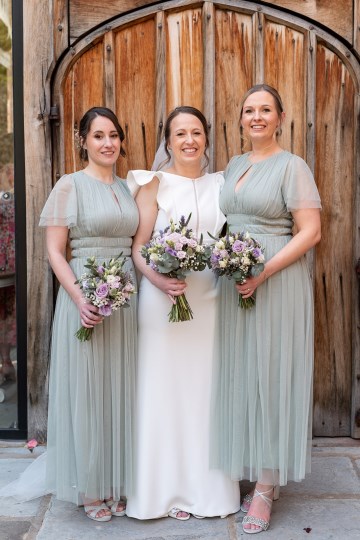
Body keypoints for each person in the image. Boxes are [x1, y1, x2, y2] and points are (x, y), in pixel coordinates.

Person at [211, 84, 321, 534]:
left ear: (280, 117)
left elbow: (310, 231)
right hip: (236, 281)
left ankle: (266, 485)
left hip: (274, 279)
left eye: (265, 110)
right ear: (240, 119)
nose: (256, 117)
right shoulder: (234, 165)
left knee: (272, 375)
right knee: (243, 372)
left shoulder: (293, 166)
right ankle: (254, 466)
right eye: (249, 110)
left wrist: (262, 271)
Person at [126, 106, 240, 520]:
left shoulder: (224, 183)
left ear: (206, 138)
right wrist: (158, 281)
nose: (189, 140)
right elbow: (139, 247)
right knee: (162, 390)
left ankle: (206, 491)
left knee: (204, 393)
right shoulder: (152, 184)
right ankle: (161, 491)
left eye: (196, 132)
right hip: (161, 301)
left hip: (210, 299)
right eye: (180, 134)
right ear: (168, 141)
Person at [39, 107, 139, 521]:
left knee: (121, 387)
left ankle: (116, 480)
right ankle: (92, 487)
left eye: (114, 135)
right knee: (88, 389)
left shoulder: (128, 187)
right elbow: (53, 251)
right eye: (98, 136)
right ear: (82, 140)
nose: (108, 143)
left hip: (126, 296)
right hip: (85, 288)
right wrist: (81, 297)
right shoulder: (69, 186)